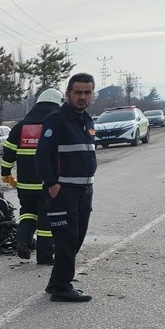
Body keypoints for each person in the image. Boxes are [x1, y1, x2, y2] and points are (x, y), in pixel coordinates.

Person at [35, 72, 97, 303]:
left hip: (84, 191)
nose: (82, 97)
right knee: (66, 239)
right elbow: (41, 156)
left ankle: (56, 282)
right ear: (68, 93)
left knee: (77, 239)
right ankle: (62, 287)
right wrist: (51, 185)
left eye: (87, 92)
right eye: (78, 92)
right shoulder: (57, 119)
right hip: (64, 192)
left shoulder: (86, 119)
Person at [0, 88, 63, 264]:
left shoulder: (21, 126)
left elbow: (9, 153)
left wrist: (6, 173)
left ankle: (22, 241)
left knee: (28, 213)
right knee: (46, 220)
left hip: (25, 185)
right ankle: (45, 257)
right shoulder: (55, 124)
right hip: (47, 184)